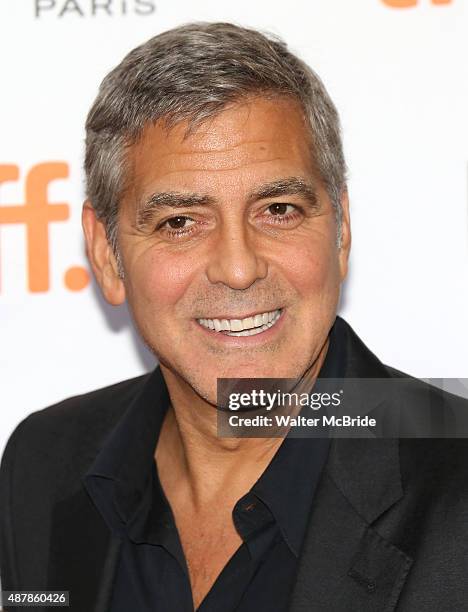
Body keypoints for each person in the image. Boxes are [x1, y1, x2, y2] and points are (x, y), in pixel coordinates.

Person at [1, 22, 467, 612]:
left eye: (278, 209)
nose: (239, 269)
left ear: (340, 231)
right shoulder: (41, 462)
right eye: (180, 222)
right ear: (106, 254)